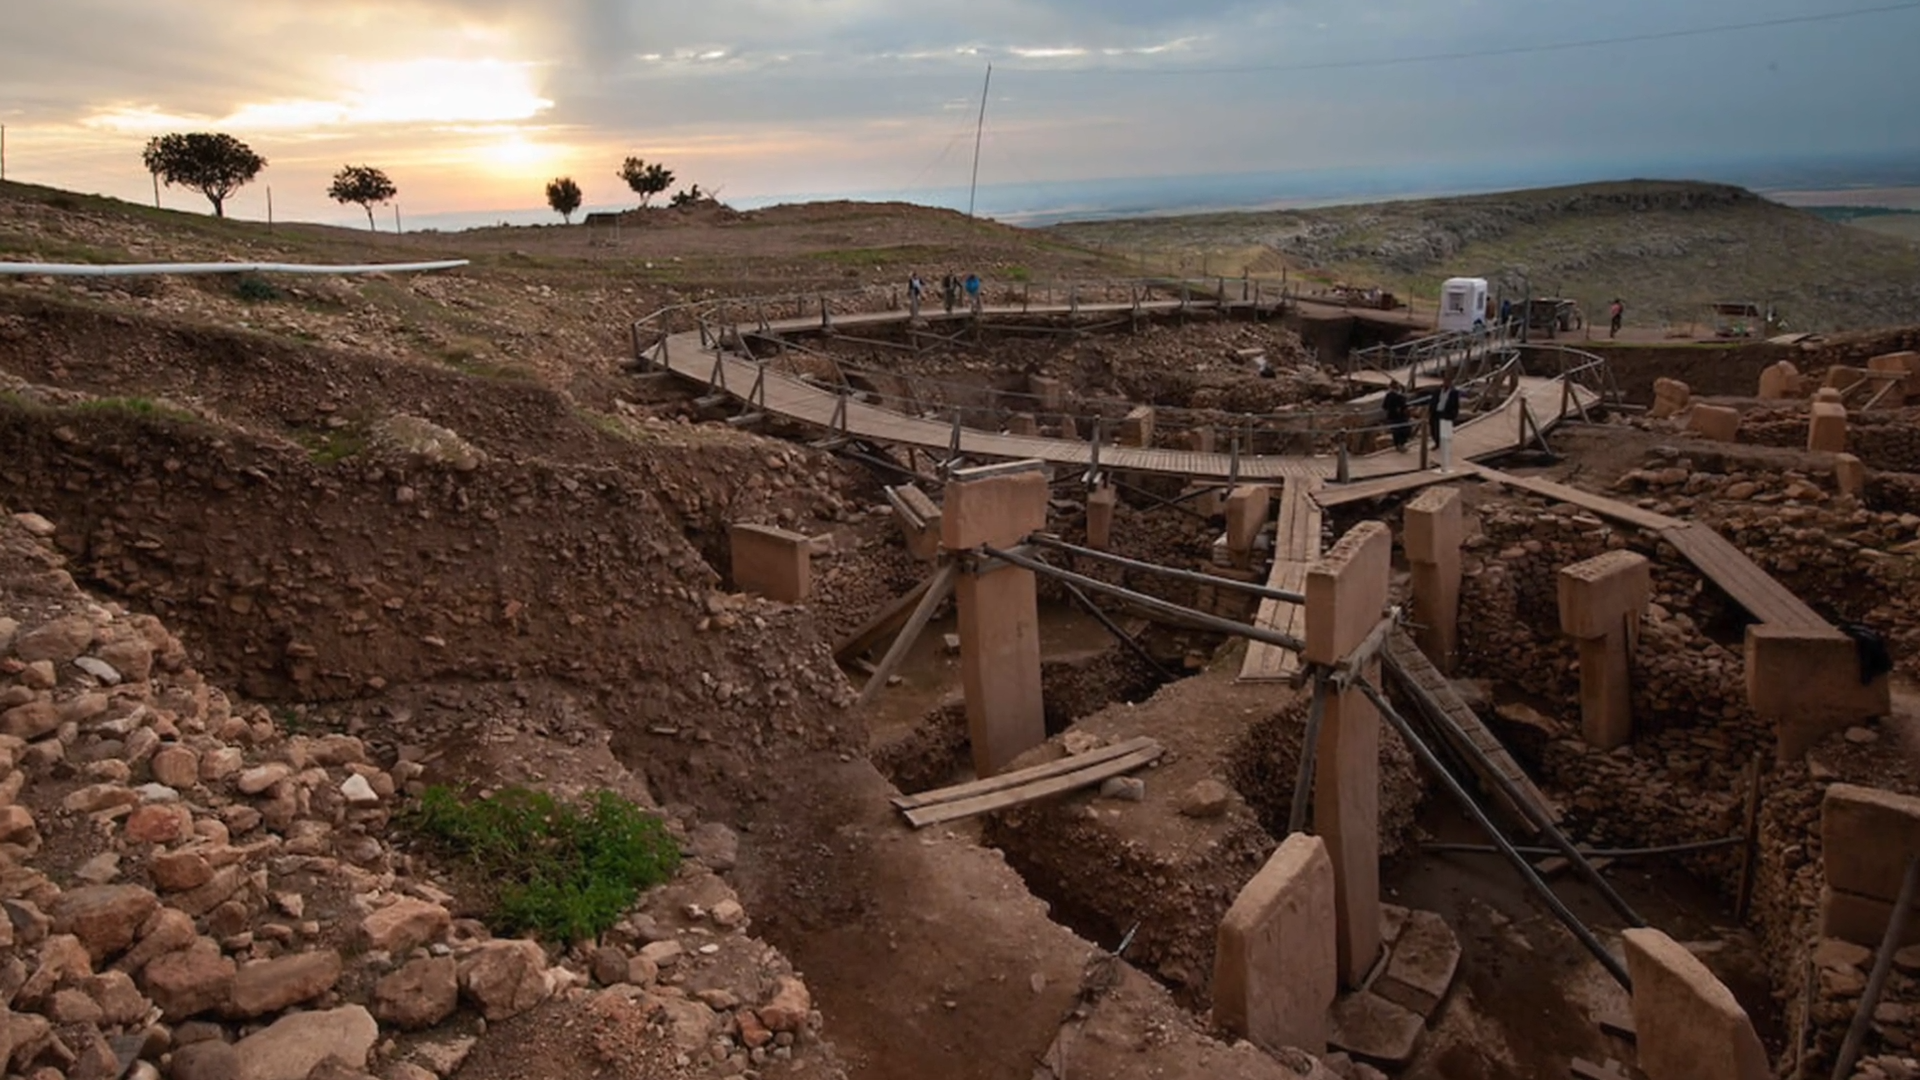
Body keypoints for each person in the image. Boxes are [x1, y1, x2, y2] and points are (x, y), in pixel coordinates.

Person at [1428, 372, 1460, 451]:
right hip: (1436, 412)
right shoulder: (1438, 390)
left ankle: (1445, 445)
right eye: (1445, 381)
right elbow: (1433, 400)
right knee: (1434, 429)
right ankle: (1437, 443)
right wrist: (1430, 410)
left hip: (1446, 413)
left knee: (1445, 430)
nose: (1446, 383)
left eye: (1448, 382)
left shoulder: (1454, 393)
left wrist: (1454, 414)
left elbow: (1456, 404)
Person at [1383, 381, 1412, 452]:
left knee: (1396, 432)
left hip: (1392, 416)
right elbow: (1404, 406)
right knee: (1404, 431)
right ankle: (1401, 444)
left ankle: (1398, 445)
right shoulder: (1399, 397)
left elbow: (1384, 406)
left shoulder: (1388, 396)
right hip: (1400, 417)